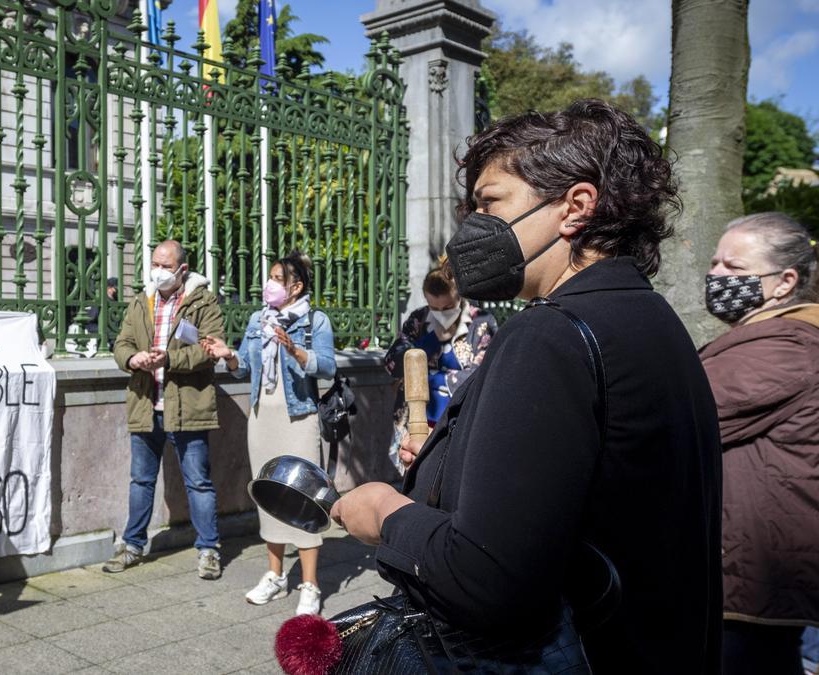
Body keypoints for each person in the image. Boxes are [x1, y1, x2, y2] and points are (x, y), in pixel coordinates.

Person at [329, 99, 723, 673]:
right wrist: (455, 459)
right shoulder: (650, 317)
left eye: (490, 203)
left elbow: (487, 576)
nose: (471, 229)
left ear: (576, 207)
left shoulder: (548, 334)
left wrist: (386, 511)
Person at [698, 212, 819, 675]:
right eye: (714, 263)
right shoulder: (764, 339)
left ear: (785, 281)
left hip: (750, 583)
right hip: (742, 577)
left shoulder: (784, 348)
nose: (715, 276)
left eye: (733, 267)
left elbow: (684, 414)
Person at [201, 252, 337, 616]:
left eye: (279, 278)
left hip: (299, 417)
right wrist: (227, 354)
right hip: (262, 418)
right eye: (271, 277)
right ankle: (275, 576)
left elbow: (327, 366)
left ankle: (310, 585)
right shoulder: (256, 320)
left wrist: (296, 350)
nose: (270, 284)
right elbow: (243, 366)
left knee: (304, 497)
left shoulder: (314, 321)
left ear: (296, 286)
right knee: (267, 493)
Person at [105, 240, 225, 579]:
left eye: (165, 266)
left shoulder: (203, 301)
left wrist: (170, 358)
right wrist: (132, 359)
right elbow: (122, 343)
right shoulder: (142, 301)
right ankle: (132, 545)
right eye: (154, 263)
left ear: (182, 270)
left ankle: (209, 550)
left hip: (188, 405)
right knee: (141, 480)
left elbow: (210, 350)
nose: (158, 271)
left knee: (198, 482)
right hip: (146, 402)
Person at [383, 263, 495, 471]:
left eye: (447, 308)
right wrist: (431, 340)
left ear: (459, 297)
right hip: (415, 419)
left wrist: (426, 379)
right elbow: (393, 362)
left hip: (459, 421)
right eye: (434, 308)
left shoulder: (481, 322)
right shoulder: (419, 319)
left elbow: (478, 374)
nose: (441, 313)